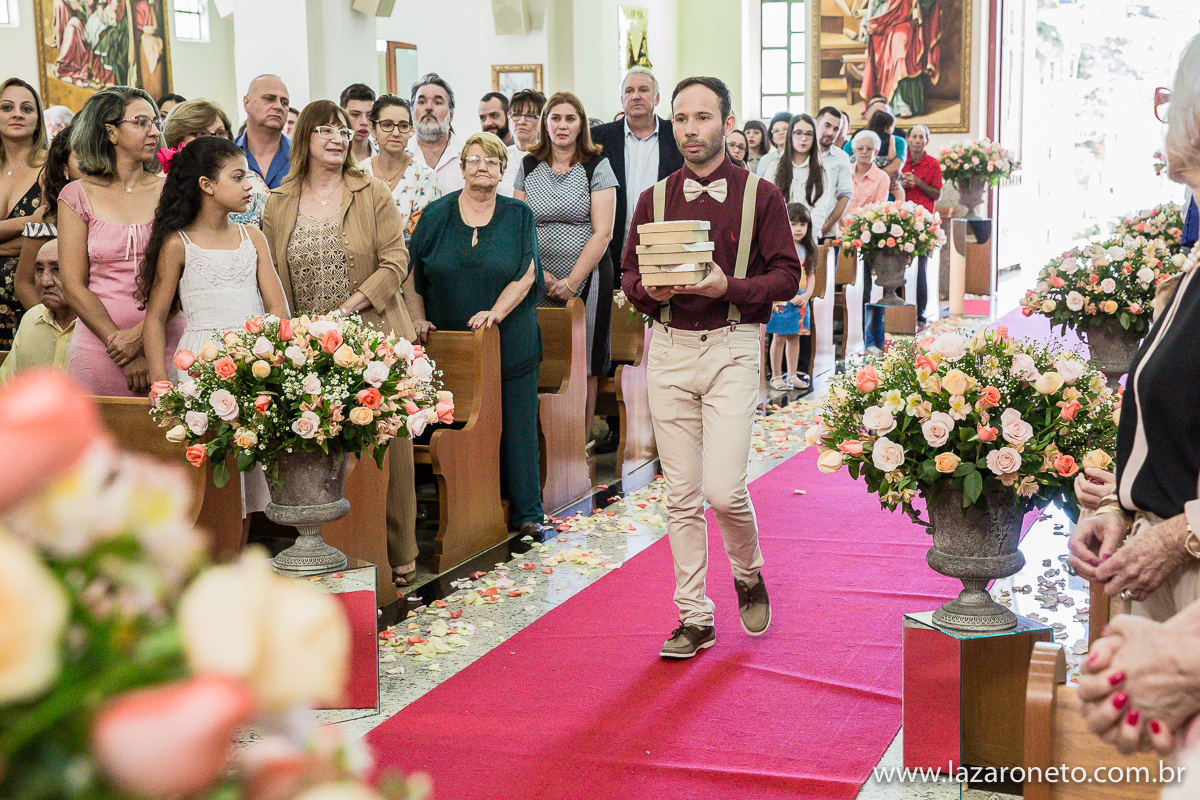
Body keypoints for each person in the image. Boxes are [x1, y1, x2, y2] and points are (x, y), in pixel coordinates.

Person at [620, 76, 803, 658]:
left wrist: (732, 287)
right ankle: (694, 617)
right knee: (680, 495)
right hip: (669, 348)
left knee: (723, 491)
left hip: (732, 344)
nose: (690, 130)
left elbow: (788, 275)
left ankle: (747, 571)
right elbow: (628, 275)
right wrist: (648, 291)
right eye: (681, 119)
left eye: (702, 118)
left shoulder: (761, 196)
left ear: (726, 123)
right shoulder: (652, 199)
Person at [1070, 34, 1200, 779]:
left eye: (1170, 102)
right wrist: (1123, 507)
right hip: (1162, 572)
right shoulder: (1194, 260)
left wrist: (1177, 535)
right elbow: (1172, 407)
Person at [260, 99, 419, 588]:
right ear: (304, 137)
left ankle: (399, 552)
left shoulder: (370, 191)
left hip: (372, 333)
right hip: (309, 345)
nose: (337, 138)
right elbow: (273, 275)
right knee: (322, 448)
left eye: (344, 131)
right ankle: (334, 547)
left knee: (387, 448)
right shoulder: (279, 201)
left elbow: (396, 261)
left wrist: (348, 310)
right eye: (325, 130)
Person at [407, 132, 551, 540]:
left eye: (491, 161)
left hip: (510, 340)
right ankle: (455, 508)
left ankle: (528, 512)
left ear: (503, 170)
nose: (481, 167)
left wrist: (495, 314)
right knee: (447, 426)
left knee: (518, 428)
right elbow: (411, 275)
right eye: (473, 160)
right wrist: (417, 320)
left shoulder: (518, 214)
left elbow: (527, 273)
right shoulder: (435, 214)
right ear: (462, 168)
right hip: (447, 347)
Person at [58, 86, 185, 395]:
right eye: (141, 122)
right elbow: (73, 285)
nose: (154, 132)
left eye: (155, 122)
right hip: (99, 348)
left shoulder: (172, 189)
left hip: (169, 341)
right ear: (111, 131)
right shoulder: (76, 195)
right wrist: (119, 346)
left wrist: (140, 336)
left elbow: (185, 275)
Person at [140, 135, 288, 385]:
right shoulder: (178, 245)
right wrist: (160, 382)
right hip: (200, 361)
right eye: (238, 177)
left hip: (253, 359)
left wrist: (266, 355)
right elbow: (155, 319)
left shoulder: (253, 237)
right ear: (207, 185)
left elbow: (279, 309)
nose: (249, 186)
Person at [514, 92, 617, 439]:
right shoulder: (529, 165)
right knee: (541, 354)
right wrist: (540, 275)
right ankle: (543, 439)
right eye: (555, 118)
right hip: (536, 277)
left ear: (581, 125)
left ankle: (579, 440)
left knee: (585, 360)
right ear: (545, 123)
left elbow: (603, 232)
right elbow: (519, 226)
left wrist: (572, 282)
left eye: (570, 118)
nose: (562, 125)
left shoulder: (596, 165)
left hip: (589, 277)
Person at [589, 67, 685, 312]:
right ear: (622, 99)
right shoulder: (597, 138)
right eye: (629, 91)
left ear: (657, 98)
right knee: (610, 321)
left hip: (666, 250)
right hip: (609, 249)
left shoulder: (677, 136)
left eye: (644, 90)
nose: (636, 96)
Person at [163, 98, 270, 227]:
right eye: (202, 133)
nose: (214, 141)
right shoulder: (161, 185)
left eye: (220, 133)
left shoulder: (253, 186)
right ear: (176, 139)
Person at [0, 78, 49, 350]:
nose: (17, 114)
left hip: (32, 299)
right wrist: (31, 221)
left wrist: (38, 228)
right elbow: (39, 227)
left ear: (38, 119)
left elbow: (51, 234)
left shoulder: (52, 166)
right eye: (7, 107)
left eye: (27, 108)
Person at [14, 121, 82, 312]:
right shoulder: (48, 216)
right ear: (65, 168)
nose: (93, 166)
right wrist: (49, 323)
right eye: (83, 160)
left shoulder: (119, 209)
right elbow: (24, 283)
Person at [359, 94, 442, 242]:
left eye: (403, 126)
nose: (396, 133)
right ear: (372, 128)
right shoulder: (359, 173)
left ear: (411, 130)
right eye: (387, 125)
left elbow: (423, 237)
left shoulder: (425, 177)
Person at [844, 130, 893, 355]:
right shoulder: (845, 172)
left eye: (869, 149)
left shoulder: (882, 178)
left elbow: (877, 210)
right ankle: (843, 333)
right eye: (860, 148)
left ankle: (869, 339)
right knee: (842, 289)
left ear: (876, 151)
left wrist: (857, 230)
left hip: (867, 241)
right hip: (841, 237)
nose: (864, 152)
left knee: (866, 290)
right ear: (853, 150)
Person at [0, 239, 76, 382]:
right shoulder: (32, 318)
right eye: (40, 270)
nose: (45, 281)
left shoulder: (100, 328)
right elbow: (7, 386)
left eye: (57, 269)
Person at [765, 203, 816, 391]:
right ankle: (776, 376)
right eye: (793, 224)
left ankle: (792, 375)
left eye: (803, 224)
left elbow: (810, 275)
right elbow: (774, 274)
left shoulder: (808, 249)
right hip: (782, 300)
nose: (798, 229)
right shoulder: (779, 248)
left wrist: (807, 295)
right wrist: (788, 295)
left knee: (795, 337)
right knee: (778, 337)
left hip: (801, 302)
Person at [860, 0, 940, 119]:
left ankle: (903, 103)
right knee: (887, 60)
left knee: (901, 54)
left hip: (905, 19)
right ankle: (889, 103)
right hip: (883, 19)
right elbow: (873, 3)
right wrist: (865, 23)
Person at [900, 124, 942, 327]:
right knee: (898, 266)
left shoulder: (933, 164)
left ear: (927, 141)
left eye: (921, 137)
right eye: (914, 136)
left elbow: (936, 193)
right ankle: (899, 309)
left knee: (921, 268)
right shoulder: (900, 161)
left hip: (924, 222)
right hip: (901, 220)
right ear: (908, 139)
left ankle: (921, 312)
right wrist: (902, 185)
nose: (917, 140)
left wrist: (918, 182)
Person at [408, 73, 463, 195]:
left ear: (451, 115)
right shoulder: (399, 154)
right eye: (422, 102)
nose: (429, 107)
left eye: (437, 102)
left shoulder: (467, 157)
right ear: (412, 112)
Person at [236, 74, 291, 190]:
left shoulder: (302, 156)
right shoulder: (226, 154)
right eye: (269, 99)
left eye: (284, 103)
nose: (278, 106)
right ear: (246, 103)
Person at [813, 106, 854, 242]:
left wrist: (825, 228)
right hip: (795, 231)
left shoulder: (841, 157)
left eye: (836, 129)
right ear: (816, 123)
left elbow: (845, 195)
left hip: (826, 233)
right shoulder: (800, 153)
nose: (831, 133)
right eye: (827, 126)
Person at [500, 89, 546, 196]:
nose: (521, 122)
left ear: (542, 122)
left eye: (530, 116)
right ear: (509, 118)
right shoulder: (500, 156)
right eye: (516, 115)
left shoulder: (549, 158)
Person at [340, 83, 377, 164]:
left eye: (369, 115)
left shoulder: (383, 159)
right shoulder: (332, 159)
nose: (364, 122)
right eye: (355, 115)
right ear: (342, 115)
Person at [753, 111, 792, 180]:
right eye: (776, 131)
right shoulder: (765, 159)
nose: (781, 133)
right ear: (772, 137)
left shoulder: (799, 157)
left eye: (785, 129)